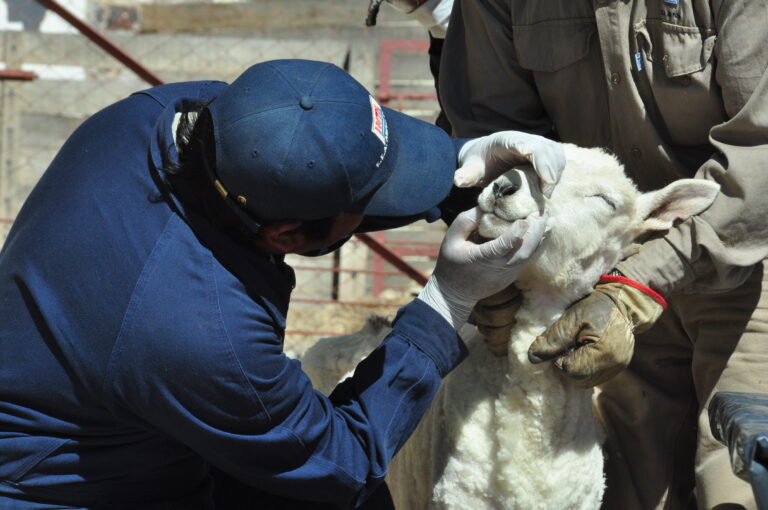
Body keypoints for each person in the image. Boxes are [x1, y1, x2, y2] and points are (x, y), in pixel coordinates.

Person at [0, 58, 565, 509]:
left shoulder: (160, 118)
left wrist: (454, 165)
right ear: (288, 235)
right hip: (72, 487)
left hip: (127, 408)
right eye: (368, 203)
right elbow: (342, 462)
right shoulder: (203, 334)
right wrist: (447, 303)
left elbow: (302, 154)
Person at [438, 2, 768, 509]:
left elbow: (761, 151)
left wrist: (636, 284)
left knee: (739, 472)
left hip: (745, 255)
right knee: (630, 485)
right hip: (591, 278)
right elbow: (490, 135)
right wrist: (502, 272)